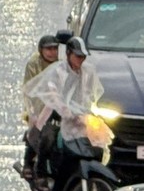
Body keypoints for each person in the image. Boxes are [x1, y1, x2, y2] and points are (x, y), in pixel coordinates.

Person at [22, 36, 105, 178]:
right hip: (52, 112)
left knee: (97, 138)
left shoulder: (87, 72)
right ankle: (39, 171)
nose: (80, 60)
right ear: (69, 54)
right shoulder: (57, 70)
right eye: (77, 56)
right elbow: (51, 93)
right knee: (47, 137)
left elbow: (92, 93)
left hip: (77, 114)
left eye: (82, 57)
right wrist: (62, 109)